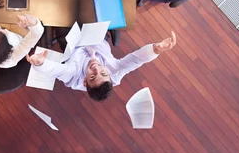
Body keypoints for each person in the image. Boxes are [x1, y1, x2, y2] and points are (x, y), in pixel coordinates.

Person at [27, 31, 176, 101]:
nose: (96, 68)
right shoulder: (115, 75)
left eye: (92, 75)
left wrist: (40, 63)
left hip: (74, 43)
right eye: (103, 73)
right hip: (95, 36)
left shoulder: (72, 75)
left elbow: (56, 70)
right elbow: (135, 60)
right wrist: (157, 49)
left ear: (85, 82)